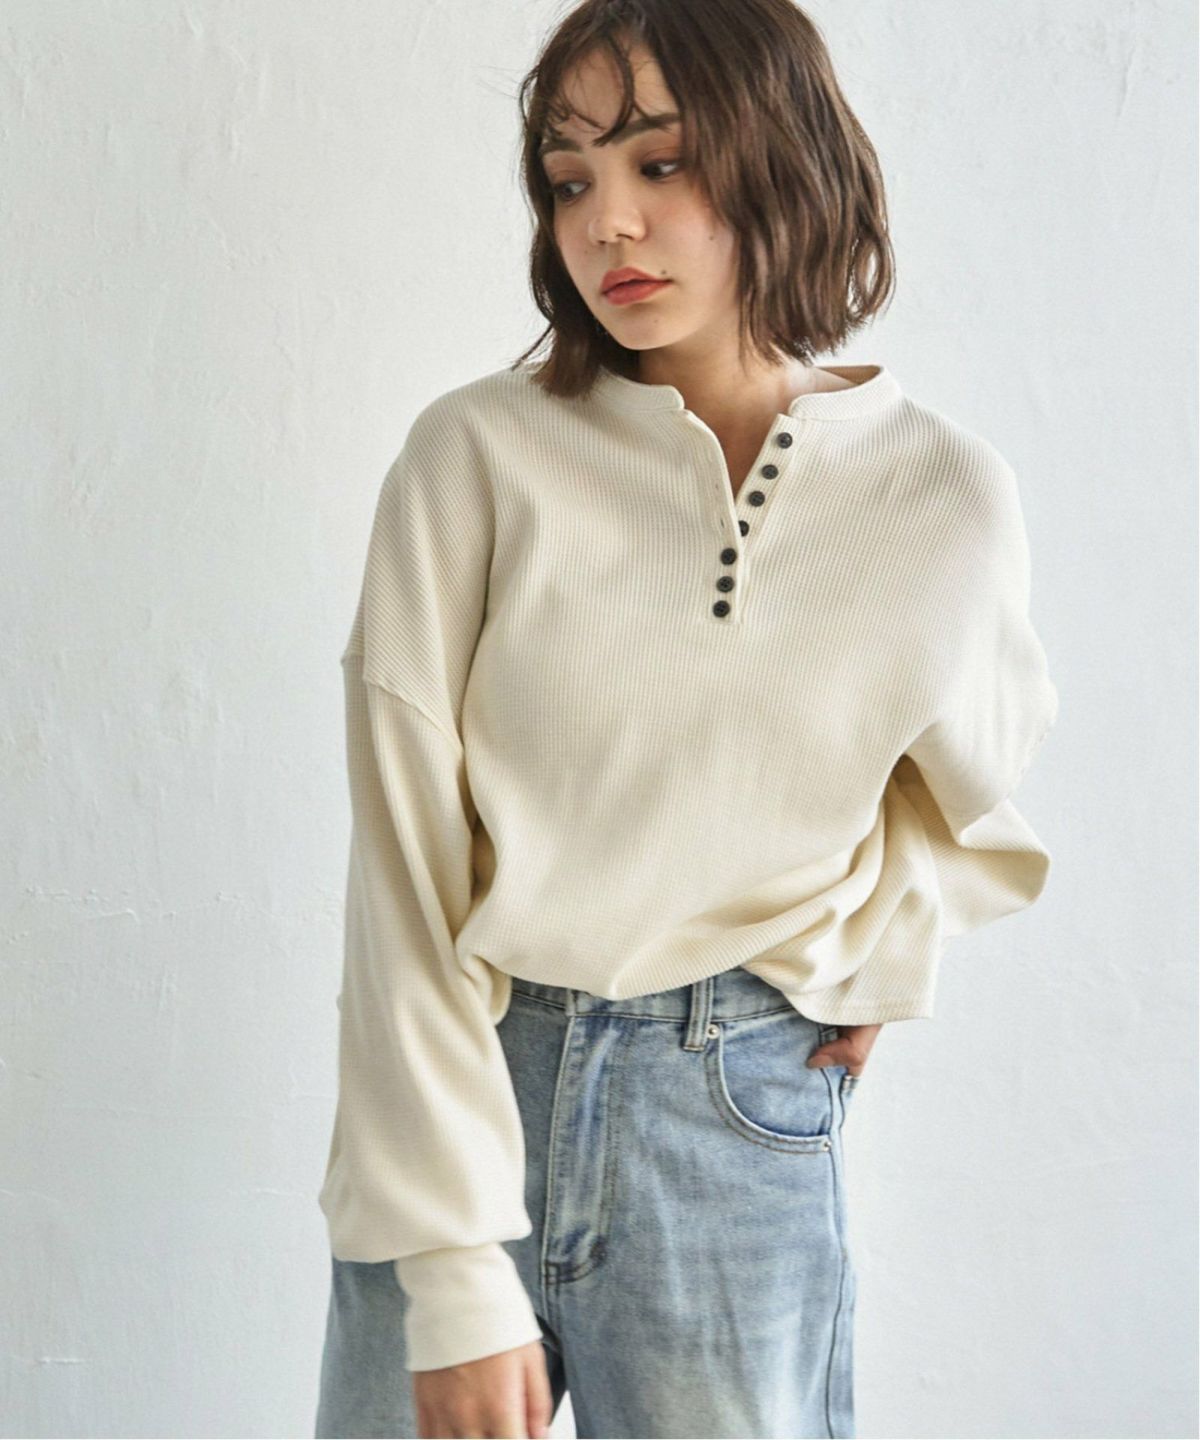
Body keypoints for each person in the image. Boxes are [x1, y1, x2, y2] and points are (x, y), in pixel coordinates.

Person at [314, 2, 1059, 1437]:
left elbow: (965, 790)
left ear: (786, 158)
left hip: (736, 1123)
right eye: (570, 179)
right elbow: (400, 881)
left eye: (662, 163)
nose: (607, 222)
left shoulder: (942, 495)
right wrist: (455, 1270)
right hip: (470, 1094)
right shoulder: (476, 456)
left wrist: (876, 948)